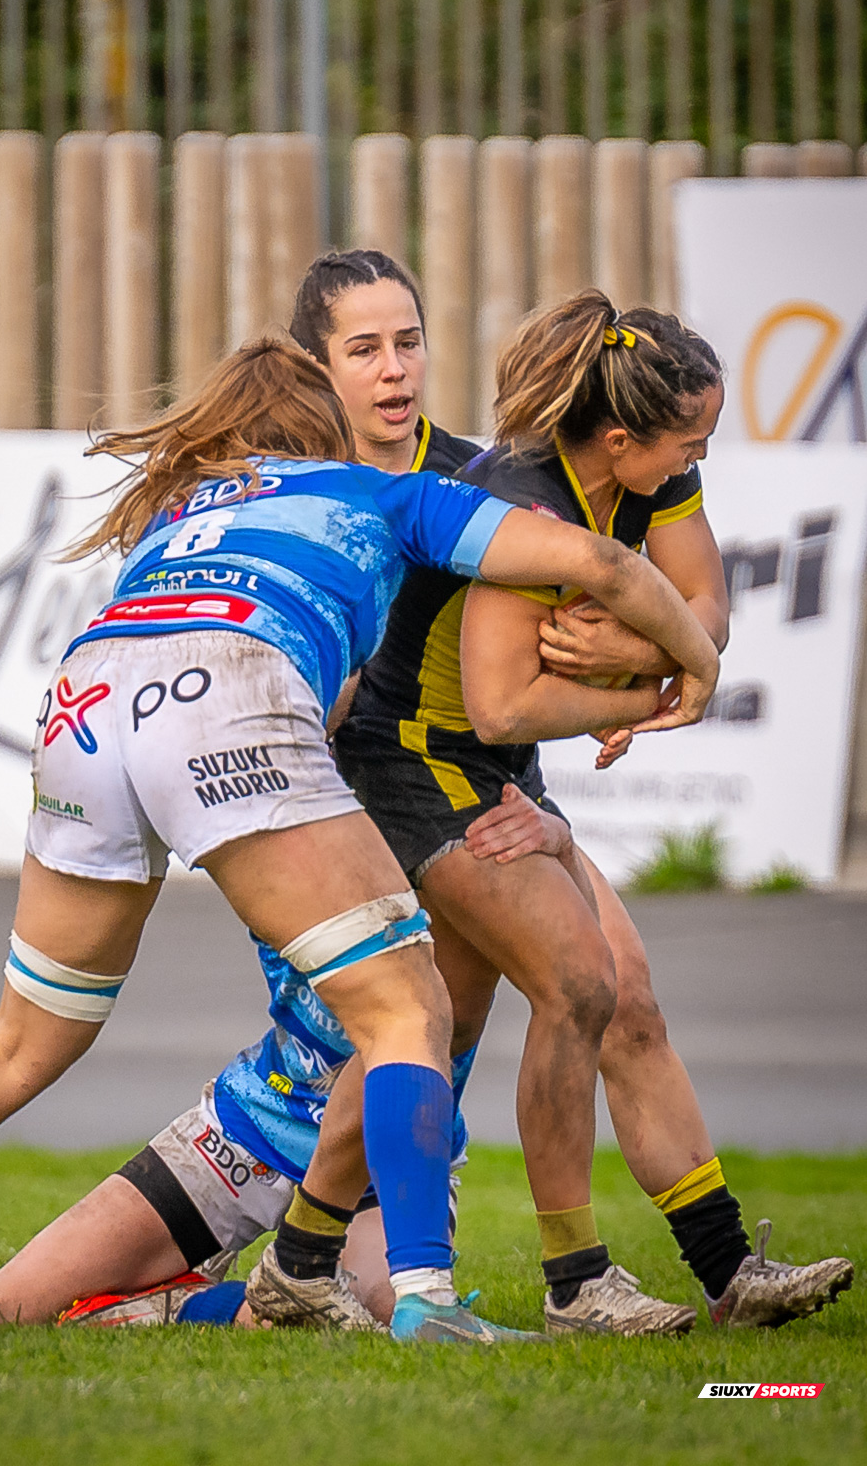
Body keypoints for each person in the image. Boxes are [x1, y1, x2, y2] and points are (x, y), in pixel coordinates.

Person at [0, 337, 719, 1349]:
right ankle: (426, 1302)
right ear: (324, 426)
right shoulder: (384, 494)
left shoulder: (180, 514)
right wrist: (693, 663)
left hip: (87, 701)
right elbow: (592, 560)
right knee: (407, 1003)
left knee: (20, 1041)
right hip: (227, 683)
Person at [291, 277, 851, 1334]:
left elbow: (705, 611)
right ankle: (575, 1283)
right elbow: (504, 701)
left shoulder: (643, 480)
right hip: (419, 764)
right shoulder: (523, 503)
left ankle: (724, 1270)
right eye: (687, 442)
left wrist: (654, 653)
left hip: (494, 768)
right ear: (617, 435)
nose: (698, 460)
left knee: (563, 1004)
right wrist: (657, 687)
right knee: (576, 984)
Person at [0, 923, 483, 1332]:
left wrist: (554, 839)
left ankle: (189, 1307)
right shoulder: (284, 811)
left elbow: (572, 964)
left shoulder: (460, 828)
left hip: (379, 1169)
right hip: (247, 1132)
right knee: (8, 1309)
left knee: (381, 1322)